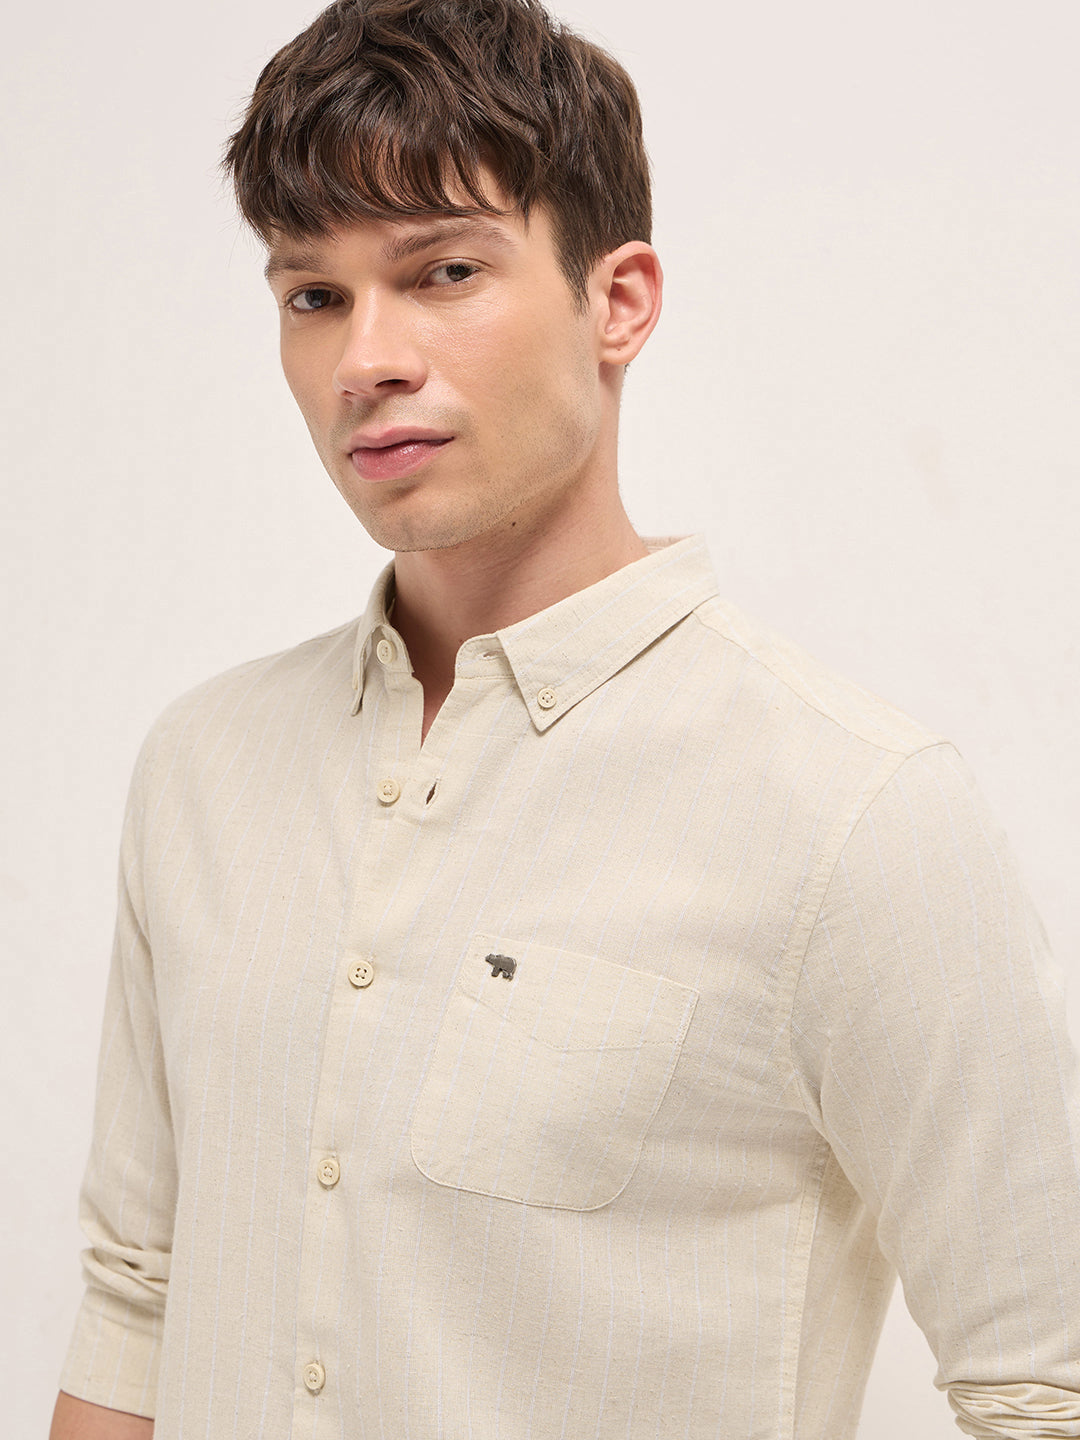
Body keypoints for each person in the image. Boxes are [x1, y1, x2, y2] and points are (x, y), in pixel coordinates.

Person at [51, 0, 1080, 1436]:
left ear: (620, 301)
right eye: (314, 295)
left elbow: (1042, 1381)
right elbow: (137, 1301)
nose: (366, 360)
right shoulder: (202, 768)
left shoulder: (853, 811)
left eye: (444, 271)